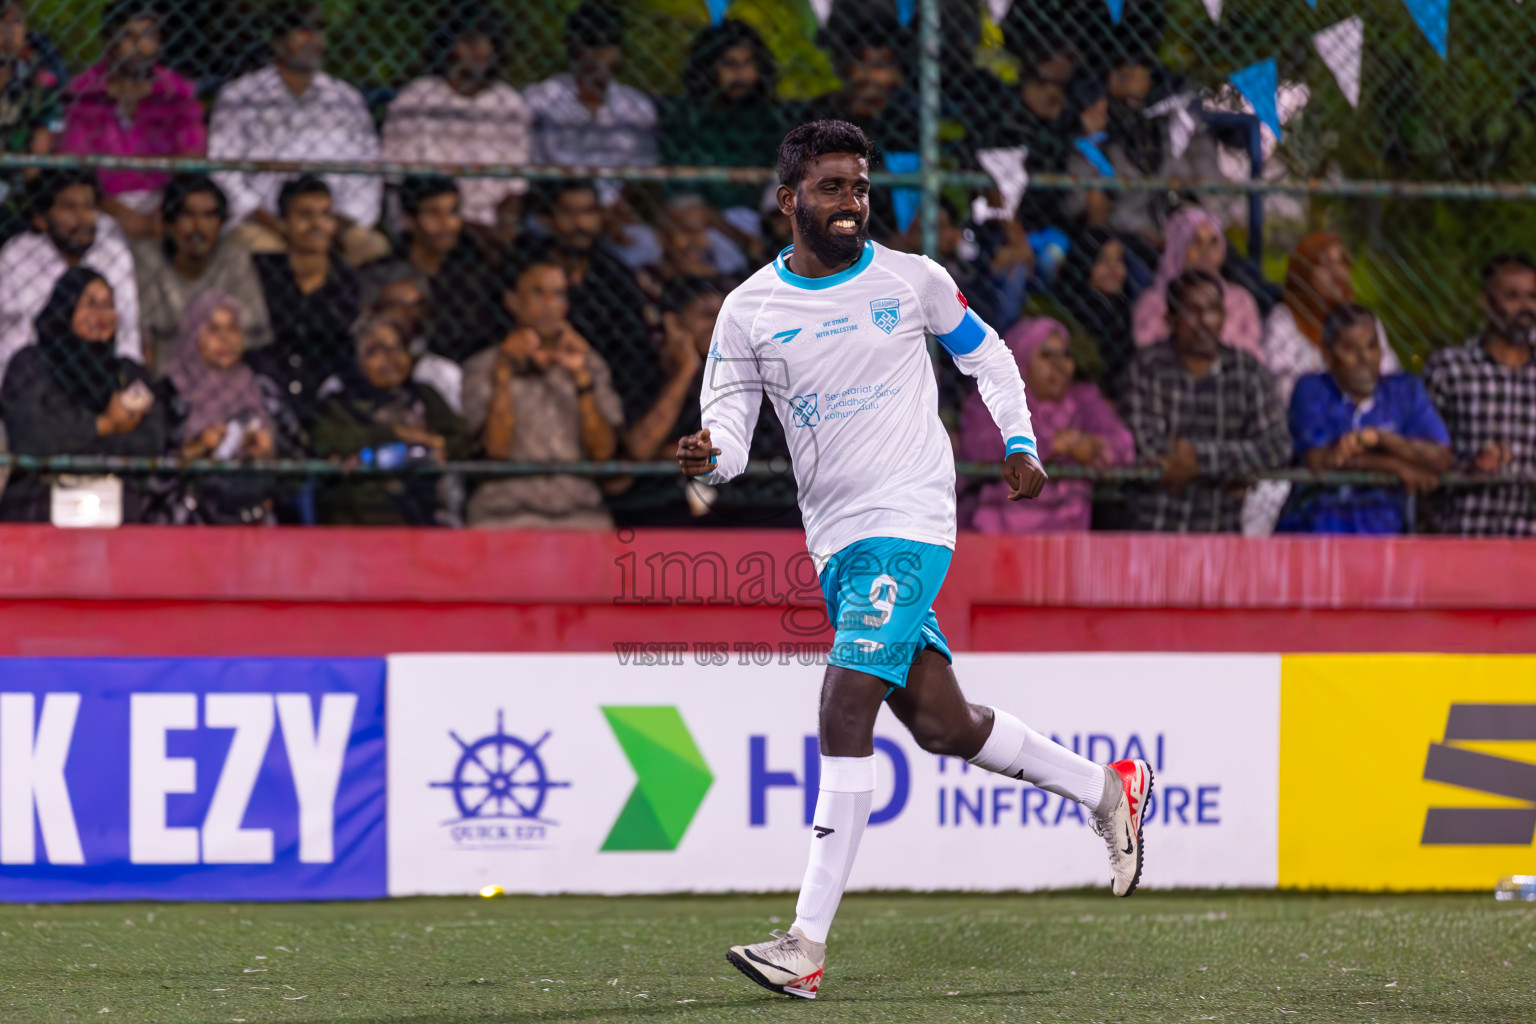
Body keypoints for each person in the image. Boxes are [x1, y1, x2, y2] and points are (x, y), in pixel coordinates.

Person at [680, 121, 1152, 999]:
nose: (850, 202)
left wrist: (1020, 439)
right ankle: (1106, 787)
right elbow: (735, 438)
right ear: (789, 201)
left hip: (911, 519)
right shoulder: (749, 310)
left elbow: (990, 356)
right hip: (837, 541)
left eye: (858, 187)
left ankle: (804, 944)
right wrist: (711, 457)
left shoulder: (913, 280)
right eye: (830, 188)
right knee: (943, 725)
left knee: (845, 699)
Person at [207, 2, 385, 265]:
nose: (313, 39)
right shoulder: (240, 96)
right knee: (261, 249)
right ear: (278, 40)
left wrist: (334, 223)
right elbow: (223, 172)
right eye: (302, 31)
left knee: (372, 247)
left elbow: (368, 175)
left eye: (318, 30)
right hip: (264, 223)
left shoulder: (346, 99)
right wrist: (278, 225)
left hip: (334, 223)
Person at [460, 245, 622, 529]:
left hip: (579, 508)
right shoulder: (483, 366)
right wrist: (504, 372)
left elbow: (603, 453)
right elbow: (496, 450)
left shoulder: (590, 363)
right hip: (506, 510)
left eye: (558, 294)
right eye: (537, 293)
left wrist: (582, 380)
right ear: (512, 301)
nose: (549, 303)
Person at [1123, 269, 1291, 532]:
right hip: (1156, 527)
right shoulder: (1147, 367)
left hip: (1220, 528)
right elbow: (1145, 447)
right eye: (1191, 311)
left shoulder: (1246, 371)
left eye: (1212, 310)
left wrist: (1199, 459)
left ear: (1224, 316)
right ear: (1171, 318)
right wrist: (1231, 467)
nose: (1204, 321)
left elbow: (1275, 446)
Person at [0, 267, 165, 521]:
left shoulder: (127, 372)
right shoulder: (31, 364)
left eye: (107, 305)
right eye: (90, 303)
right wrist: (107, 424)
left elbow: (151, 442)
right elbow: (33, 440)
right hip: (39, 499)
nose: (100, 314)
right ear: (66, 308)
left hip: (118, 499)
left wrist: (75, 436)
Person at [1279, 305, 1450, 535]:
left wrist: (1380, 440)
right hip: (1316, 533)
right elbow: (1318, 459)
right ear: (1328, 357)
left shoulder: (1406, 391)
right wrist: (1396, 467)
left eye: (1371, 346)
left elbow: (1440, 457)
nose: (1364, 359)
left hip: (1384, 537)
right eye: (1350, 348)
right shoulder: (1312, 389)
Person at [960, 317, 1133, 533]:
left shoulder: (1082, 400)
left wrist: (1097, 447)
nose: (1060, 366)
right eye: (1047, 355)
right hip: (997, 537)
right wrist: (1050, 444)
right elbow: (977, 447)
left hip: (1067, 539)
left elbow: (1124, 443)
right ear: (1021, 361)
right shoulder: (991, 399)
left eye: (1066, 355)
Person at [57, 1, 205, 242]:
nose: (138, 46)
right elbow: (75, 167)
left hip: (166, 199)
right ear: (108, 39)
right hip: (103, 203)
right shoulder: (83, 91)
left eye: (148, 35)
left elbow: (192, 155)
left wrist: (165, 209)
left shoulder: (177, 91)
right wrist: (118, 212)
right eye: (128, 35)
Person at [381, 7, 530, 233]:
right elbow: (398, 182)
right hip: (427, 222)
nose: (477, 50)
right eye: (467, 41)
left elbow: (514, 189)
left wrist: (505, 229)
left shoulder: (509, 103)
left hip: (489, 226)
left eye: (484, 41)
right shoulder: (418, 98)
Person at [310, 315, 466, 525]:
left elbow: (461, 440)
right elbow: (326, 443)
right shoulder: (338, 405)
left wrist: (440, 447)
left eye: (398, 348)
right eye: (375, 351)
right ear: (355, 359)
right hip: (359, 522)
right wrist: (393, 434)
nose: (391, 358)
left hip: (423, 517)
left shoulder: (425, 397)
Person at [1423, 254, 1536, 536]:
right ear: (1485, 303)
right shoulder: (1449, 368)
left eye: (1532, 297)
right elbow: (1420, 453)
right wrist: (1468, 469)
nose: (1525, 307)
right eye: (1512, 296)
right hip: (1465, 535)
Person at [524, 180, 653, 416]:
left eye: (588, 212)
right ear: (548, 218)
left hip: (604, 379)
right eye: (568, 212)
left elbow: (634, 346)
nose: (579, 223)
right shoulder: (525, 263)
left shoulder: (614, 274)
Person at [0, 169, 141, 380]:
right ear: (42, 219)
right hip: (35, 377)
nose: (84, 218)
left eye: (89, 206)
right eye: (70, 208)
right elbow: (14, 338)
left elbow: (128, 332)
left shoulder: (113, 252)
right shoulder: (18, 255)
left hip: (101, 373)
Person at [161, 290, 285, 524]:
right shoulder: (171, 390)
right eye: (214, 329)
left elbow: (299, 462)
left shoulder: (260, 388)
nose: (225, 339)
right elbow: (152, 475)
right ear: (193, 334)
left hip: (252, 513)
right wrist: (196, 449)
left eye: (233, 328)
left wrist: (268, 453)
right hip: (188, 517)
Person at [246, 176, 360, 424]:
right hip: (265, 387)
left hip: (329, 397)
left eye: (326, 215)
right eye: (305, 216)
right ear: (283, 223)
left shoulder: (349, 282)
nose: (317, 225)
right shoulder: (260, 272)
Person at [134, 174, 272, 371]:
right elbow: (141, 335)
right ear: (169, 223)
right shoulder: (147, 259)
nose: (199, 227)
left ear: (221, 224)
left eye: (209, 216)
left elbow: (257, 331)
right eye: (187, 215)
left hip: (226, 375)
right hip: (166, 375)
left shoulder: (235, 258)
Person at [524, 2, 656, 206]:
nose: (600, 54)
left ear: (620, 50)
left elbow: (638, 178)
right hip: (555, 208)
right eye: (590, 42)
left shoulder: (637, 107)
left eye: (609, 43)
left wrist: (615, 213)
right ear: (574, 47)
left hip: (612, 210)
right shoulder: (541, 99)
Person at [660, 19, 784, 216]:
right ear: (708, 68)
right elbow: (683, 194)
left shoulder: (767, 117)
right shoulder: (685, 117)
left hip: (757, 217)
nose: (740, 74)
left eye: (748, 63)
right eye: (729, 64)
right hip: (697, 220)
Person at [1263, 233, 1401, 406]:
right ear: (1303, 271)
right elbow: (1282, 388)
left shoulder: (1364, 322)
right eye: (1324, 263)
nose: (1336, 271)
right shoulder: (1283, 322)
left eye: (1342, 262)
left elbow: (1389, 376)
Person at [390, 175, 502, 365]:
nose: (446, 223)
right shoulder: (383, 274)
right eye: (433, 213)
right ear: (408, 219)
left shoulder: (473, 277)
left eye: (453, 212)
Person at [1132, 205, 1262, 358]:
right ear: (1178, 247)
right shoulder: (1153, 304)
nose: (1206, 252)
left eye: (1213, 243)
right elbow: (1149, 352)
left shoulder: (1241, 300)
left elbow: (1253, 354)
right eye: (1196, 242)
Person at [356, 259, 463, 415]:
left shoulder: (441, 373)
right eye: (397, 305)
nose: (410, 314)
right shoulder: (341, 386)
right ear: (371, 310)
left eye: (417, 305)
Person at [0, 2, 64, 226]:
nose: (8, 30)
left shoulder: (38, 68)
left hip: (11, 184)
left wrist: (33, 200)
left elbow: (41, 141)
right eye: (1, 20)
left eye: (15, 21)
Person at [1055, 227, 1135, 391]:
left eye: (1119, 260)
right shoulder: (1064, 311)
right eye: (1104, 260)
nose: (1114, 270)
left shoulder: (1124, 312)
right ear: (1085, 263)